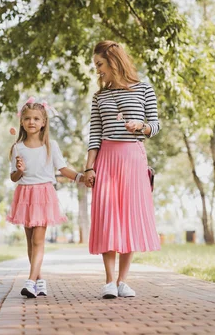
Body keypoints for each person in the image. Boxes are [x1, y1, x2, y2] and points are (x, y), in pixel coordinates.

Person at [84, 40, 161, 299]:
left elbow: (155, 126)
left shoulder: (144, 90)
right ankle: (108, 282)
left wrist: (141, 126)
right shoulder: (99, 97)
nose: (97, 70)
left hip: (133, 159)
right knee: (108, 217)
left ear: (113, 61)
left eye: (99, 64)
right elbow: (94, 135)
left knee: (130, 217)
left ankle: (122, 281)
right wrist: (89, 169)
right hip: (107, 158)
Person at [7, 99, 85, 298]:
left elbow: (63, 168)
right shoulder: (17, 148)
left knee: (38, 241)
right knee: (30, 241)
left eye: (36, 118)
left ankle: (31, 281)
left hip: (43, 195)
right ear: (22, 122)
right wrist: (20, 171)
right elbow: (13, 176)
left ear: (43, 122)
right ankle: (40, 281)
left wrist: (80, 177)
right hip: (24, 194)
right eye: (27, 118)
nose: (31, 122)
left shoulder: (51, 145)